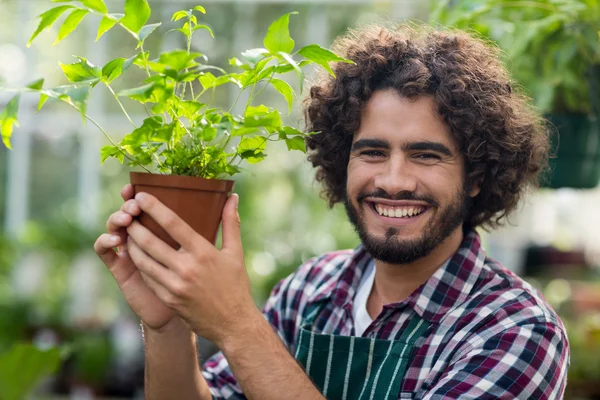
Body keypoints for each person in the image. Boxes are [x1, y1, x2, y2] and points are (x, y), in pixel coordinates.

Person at [94, 24, 569, 399]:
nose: (393, 180)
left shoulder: (515, 331)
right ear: (342, 160)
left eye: (426, 155)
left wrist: (236, 325)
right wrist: (169, 324)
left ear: (478, 176)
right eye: (372, 152)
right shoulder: (310, 292)